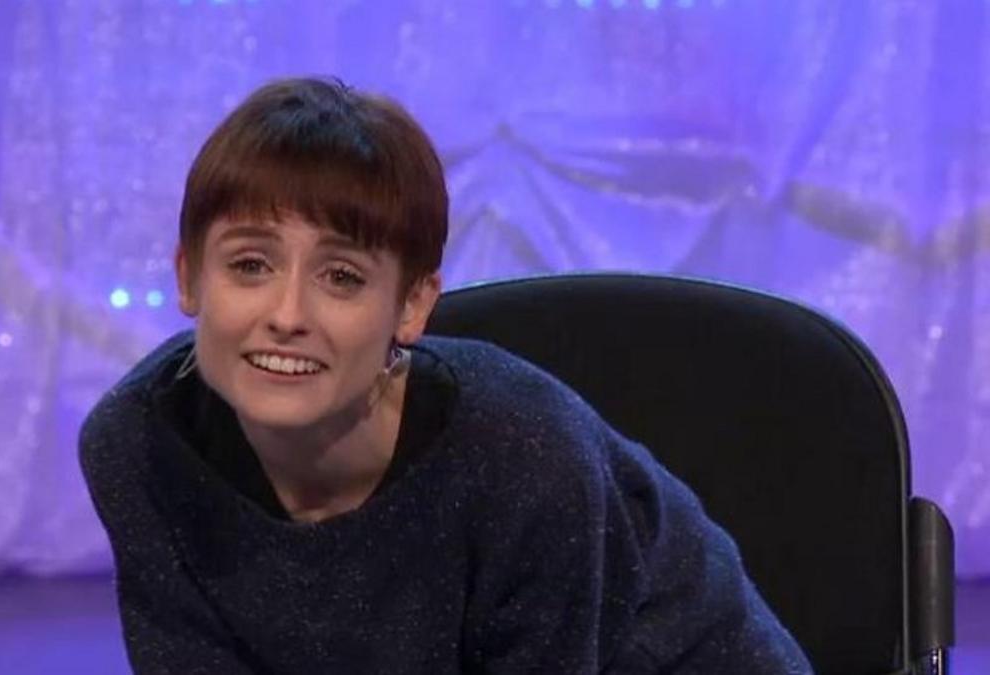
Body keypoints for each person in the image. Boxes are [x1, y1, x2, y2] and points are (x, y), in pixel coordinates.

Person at [78, 77, 811, 674]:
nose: (287, 314)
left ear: (412, 305)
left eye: (341, 276)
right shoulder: (137, 447)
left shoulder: (526, 456)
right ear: (189, 277)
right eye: (249, 265)